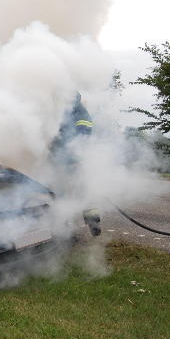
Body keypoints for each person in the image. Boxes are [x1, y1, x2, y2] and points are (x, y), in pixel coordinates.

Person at [49, 92, 101, 236]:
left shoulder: (78, 113)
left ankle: (79, 225)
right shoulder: (68, 110)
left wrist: (70, 155)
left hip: (73, 160)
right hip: (66, 159)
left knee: (67, 192)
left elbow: (82, 136)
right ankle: (86, 222)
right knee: (80, 192)